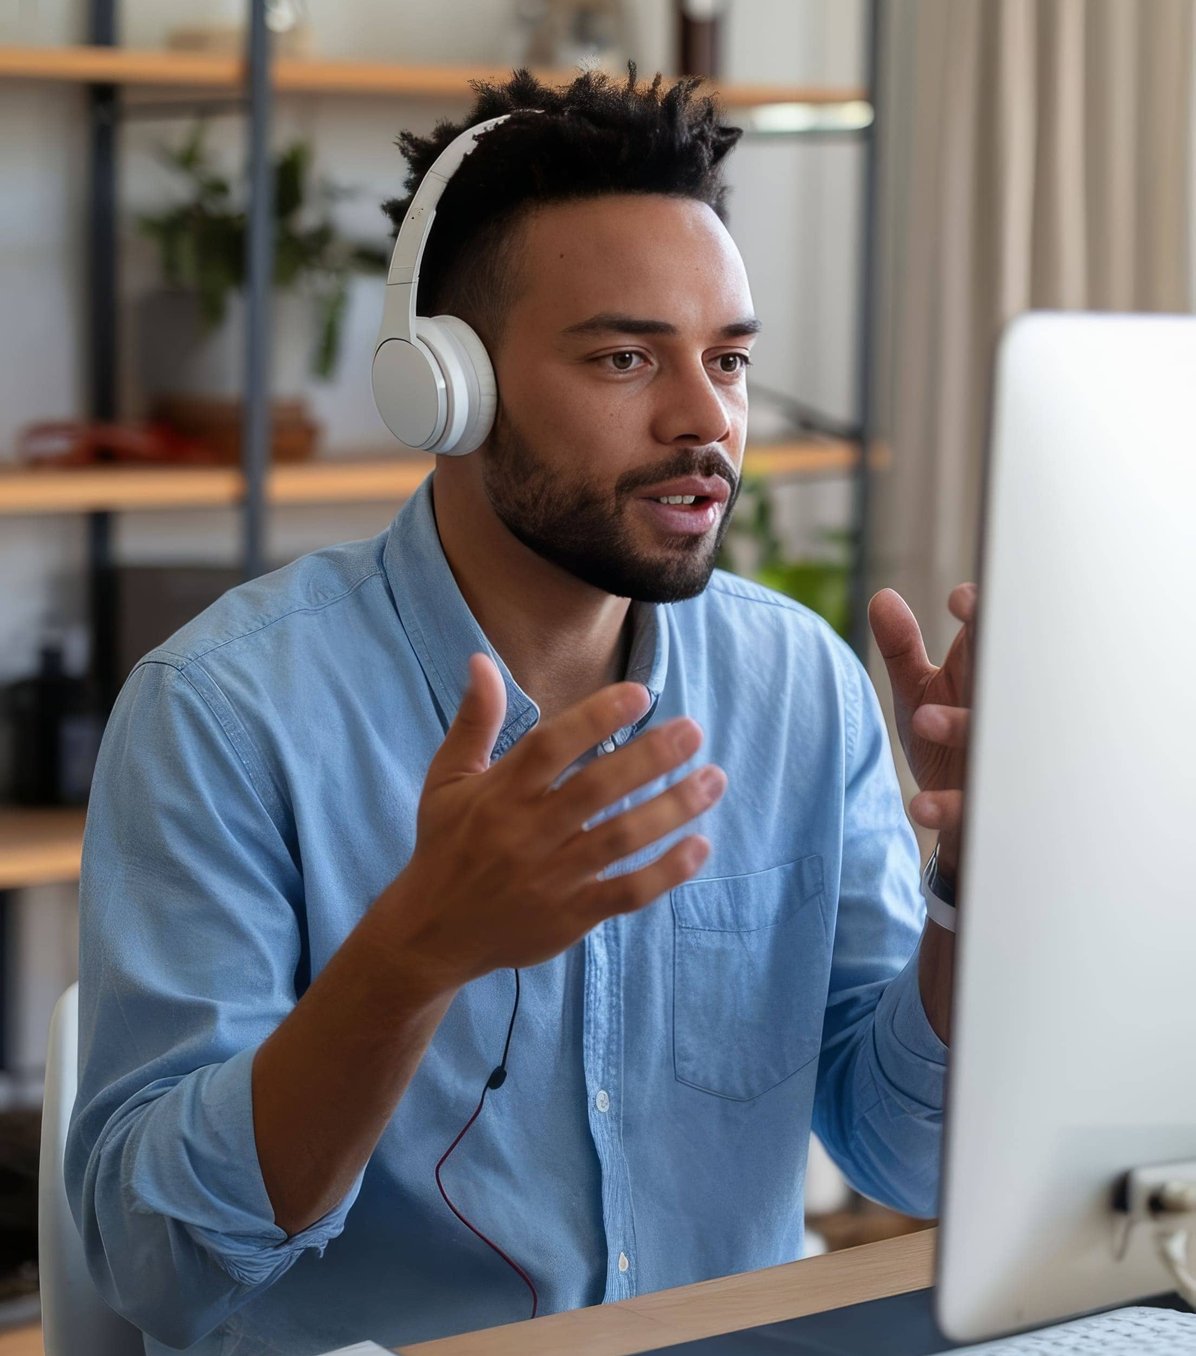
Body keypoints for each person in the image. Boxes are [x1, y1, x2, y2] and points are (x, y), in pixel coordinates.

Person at [66, 68, 973, 1356]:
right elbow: (158, 1265)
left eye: (727, 361)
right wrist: (414, 955)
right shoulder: (221, 713)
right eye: (622, 357)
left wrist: (970, 893)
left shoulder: (797, 684)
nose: (706, 419)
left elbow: (905, 1153)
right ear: (445, 385)